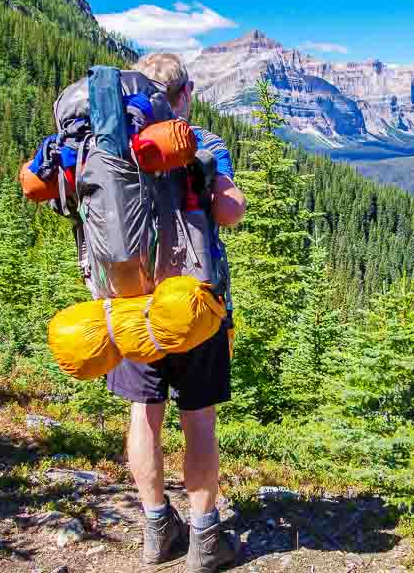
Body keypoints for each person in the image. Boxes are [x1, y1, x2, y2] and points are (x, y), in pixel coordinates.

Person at [104, 53, 246, 572]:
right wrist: (211, 185)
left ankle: (156, 529)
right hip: (192, 305)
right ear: (184, 94)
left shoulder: (112, 144)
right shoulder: (201, 141)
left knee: (144, 412)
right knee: (198, 419)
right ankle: (205, 540)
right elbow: (230, 212)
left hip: (131, 301)